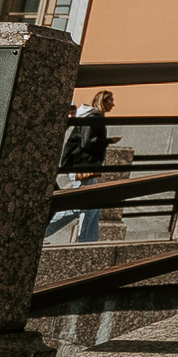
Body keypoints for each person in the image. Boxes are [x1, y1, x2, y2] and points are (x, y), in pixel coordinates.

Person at [43, 90, 115, 243]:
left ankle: (87, 241)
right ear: (103, 101)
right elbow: (86, 142)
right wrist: (107, 142)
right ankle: (83, 241)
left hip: (82, 166)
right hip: (83, 167)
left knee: (89, 206)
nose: (113, 105)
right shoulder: (94, 117)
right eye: (110, 101)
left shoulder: (92, 116)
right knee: (81, 206)